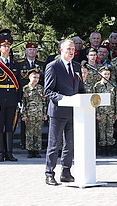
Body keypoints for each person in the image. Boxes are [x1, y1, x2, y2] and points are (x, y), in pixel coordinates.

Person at [44, 39, 85, 186]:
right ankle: (49, 173)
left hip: (74, 112)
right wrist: (65, 99)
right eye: (68, 49)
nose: (71, 51)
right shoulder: (53, 66)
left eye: (73, 49)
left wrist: (85, 98)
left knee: (70, 144)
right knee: (54, 144)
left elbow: (80, 88)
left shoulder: (76, 66)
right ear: (61, 50)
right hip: (58, 111)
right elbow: (48, 91)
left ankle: (66, 172)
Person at [0, 32, 22, 162]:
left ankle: (9, 152)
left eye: (8, 46)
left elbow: (19, 84)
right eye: (4, 46)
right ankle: (0, 152)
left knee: (9, 126)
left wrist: (19, 100)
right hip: (0, 98)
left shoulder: (15, 65)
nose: (6, 48)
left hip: (12, 98)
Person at [17, 42, 45, 149]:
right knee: (25, 119)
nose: (32, 51)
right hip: (25, 93)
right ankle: (24, 142)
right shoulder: (20, 63)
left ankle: (36, 146)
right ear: (26, 51)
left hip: (37, 94)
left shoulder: (42, 64)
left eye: (34, 50)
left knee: (37, 124)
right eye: (29, 49)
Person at [21, 69, 47, 158]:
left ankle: (37, 150)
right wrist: (23, 115)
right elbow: (23, 103)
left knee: (38, 133)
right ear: (29, 77)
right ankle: (29, 150)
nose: (36, 79)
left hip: (39, 114)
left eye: (38, 78)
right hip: (29, 114)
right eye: (34, 77)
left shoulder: (41, 88)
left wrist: (44, 114)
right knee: (29, 133)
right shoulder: (25, 89)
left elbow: (44, 102)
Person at [93, 66, 116, 156]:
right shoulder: (97, 86)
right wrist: (97, 113)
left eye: (108, 74)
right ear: (100, 75)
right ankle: (102, 148)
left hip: (110, 111)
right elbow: (94, 101)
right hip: (101, 112)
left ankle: (109, 147)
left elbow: (115, 100)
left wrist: (116, 112)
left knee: (110, 129)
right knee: (102, 130)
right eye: (105, 74)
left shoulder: (112, 85)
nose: (106, 76)